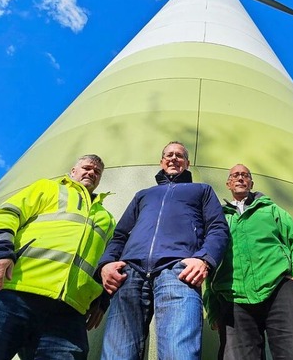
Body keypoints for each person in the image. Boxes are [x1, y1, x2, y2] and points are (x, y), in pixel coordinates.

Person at [0, 154, 115, 360]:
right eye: (86, 168)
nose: (91, 173)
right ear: (73, 171)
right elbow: (5, 214)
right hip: (13, 292)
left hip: (69, 313)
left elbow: (108, 258)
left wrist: (101, 299)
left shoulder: (107, 218)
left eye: (96, 172)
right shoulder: (48, 188)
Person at [98, 141, 229, 360]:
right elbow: (120, 234)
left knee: (179, 352)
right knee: (117, 354)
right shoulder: (144, 194)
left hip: (178, 270)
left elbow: (218, 228)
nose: (174, 158)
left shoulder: (201, 190)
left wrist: (204, 259)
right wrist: (106, 263)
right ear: (161, 161)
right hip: (130, 273)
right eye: (169, 155)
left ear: (187, 163)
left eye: (179, 155)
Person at [204, 164, 293, 360]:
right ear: (228, 183)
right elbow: (209, 264)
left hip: (278, 289)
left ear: (251, 182)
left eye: (245, 175)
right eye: (235, 175)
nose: (240, 178)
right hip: (233, 297)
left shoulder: (272, 210)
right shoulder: (218, 218)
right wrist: (213, 310)